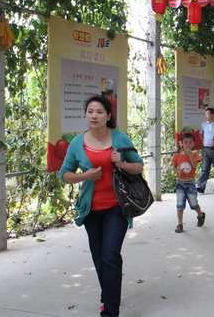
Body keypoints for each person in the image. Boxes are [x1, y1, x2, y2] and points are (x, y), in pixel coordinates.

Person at [60, 95, 144, 317]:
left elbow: (138, 167)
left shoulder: (120, 138)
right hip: (91, 209)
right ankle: (108, 295)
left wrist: (121, 163)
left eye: (99, 112)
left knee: (110, 255)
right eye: (90, 112)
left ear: (108, 116)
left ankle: (110, 310)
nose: (94, 116)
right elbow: (64, 174)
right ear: (85, 115)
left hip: (117, 207)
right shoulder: (77, 143)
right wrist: (84, 176)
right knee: (98, 257)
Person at [172, 133, 206, 233]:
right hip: (180, 184)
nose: (187, 144)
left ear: (193, 144)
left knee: (193, 203)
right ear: (181, 144)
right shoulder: (177, 156)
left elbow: (195, 165)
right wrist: (177, 171)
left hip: (190, 184)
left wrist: (190, 154)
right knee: (180, 205)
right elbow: (173, 166)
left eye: (190, 142)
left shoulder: (195, 155)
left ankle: (200, 215)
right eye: (185, 142)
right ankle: (180, 224)